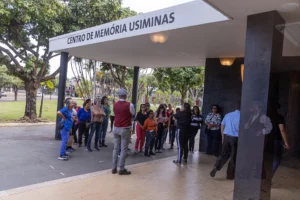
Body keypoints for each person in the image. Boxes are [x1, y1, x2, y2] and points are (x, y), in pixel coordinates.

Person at [210, 103, 240, 180]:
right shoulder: (242, 116)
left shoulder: (228, 114)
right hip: (235, 138)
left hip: (226, 136)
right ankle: (230, 175)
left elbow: (222, 125)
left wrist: (223, 136)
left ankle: (216, 167)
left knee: (223, 154)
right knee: (233, 157)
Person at [112, 88, 135, 175]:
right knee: (123, 149)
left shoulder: (115, 104)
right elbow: (132, 114)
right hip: (125, 128)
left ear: (119, 95)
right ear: (125, 95)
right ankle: (121, 168)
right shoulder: (130, 105)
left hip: (116, 128)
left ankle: (114, 168)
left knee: (115, 149)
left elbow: (115, 113)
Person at [272, 103, 289, 178]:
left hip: (265, 140)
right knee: (276, 160)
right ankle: (269, 177)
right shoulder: (279, 117)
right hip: (275, 140)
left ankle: (262, 177)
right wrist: (286, 142)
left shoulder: (266, 116)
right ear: (278, 109)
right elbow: (282, 129)